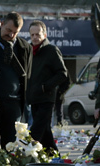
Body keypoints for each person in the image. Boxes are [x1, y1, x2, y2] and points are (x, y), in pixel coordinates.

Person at [0, 12, 32, 149]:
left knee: (10, 145)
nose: (11, 35)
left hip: (14, 103)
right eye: (9, 30)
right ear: (2, 24)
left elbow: (27, 75)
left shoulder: (25, 48)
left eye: (15, 33)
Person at [27, 20, 67, 151]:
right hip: (34, 99)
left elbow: (62, 74)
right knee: (46, 134)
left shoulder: (51, 50)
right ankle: (55, 160)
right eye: (32, 35)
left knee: (35, 133)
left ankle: (24, 156)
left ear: (44, 34)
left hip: (46, 99)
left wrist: (46, 87)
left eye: (37, 34)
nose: (34, 37)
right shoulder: (30, 51)